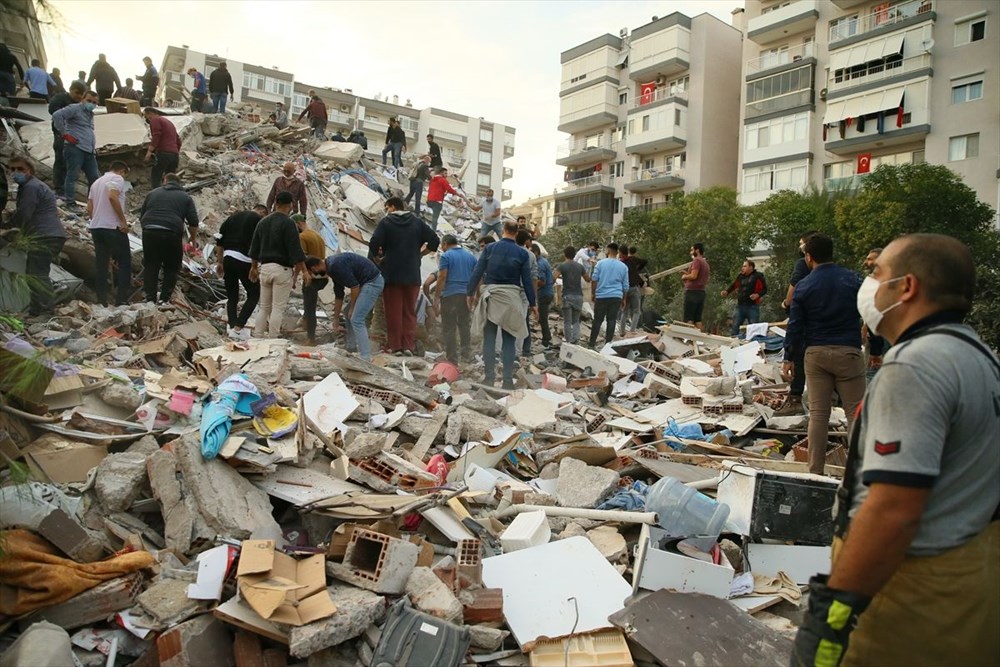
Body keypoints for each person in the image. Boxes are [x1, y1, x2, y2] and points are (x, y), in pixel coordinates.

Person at [791, 234, 999, 667]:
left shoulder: (915, 366)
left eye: (876, 273)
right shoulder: (978, 356)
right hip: (967, 585)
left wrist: (831, 614)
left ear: (907, 288)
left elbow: (892, 509)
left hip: (907, 593)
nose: (869, 284)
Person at [781, 234, 864, 476]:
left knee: (818, 414)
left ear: (809, 257)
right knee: (854, 413)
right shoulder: (854, 279)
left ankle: (814, 472)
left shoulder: (805, 285)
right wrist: (877, 348)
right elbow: (870, 312)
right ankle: (860, 473)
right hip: (848, 352)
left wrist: (788, 356)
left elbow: (795, 325)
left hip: (815, 354)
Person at [467, 220, 536, 389]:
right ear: (517, 232)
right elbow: (527, 280)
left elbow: (477, 272)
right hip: (511, 298)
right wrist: (533, 303)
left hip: (491, 297)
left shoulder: (490, 248)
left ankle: (489, 377)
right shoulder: (522, 254)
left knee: (489, 339)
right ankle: (506, 381)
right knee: (509, 341)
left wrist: (469, 293)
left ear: (503, 230)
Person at [368, 197, 439, 355]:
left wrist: (377, 258)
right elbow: (434, 241)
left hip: (391, 274)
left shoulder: (386, 223)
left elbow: (374, 243)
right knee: (409, 311)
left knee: (393, 312)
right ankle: (408, 346)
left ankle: (395, 346)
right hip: (412, 274)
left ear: (393, 207)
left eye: (387, 208)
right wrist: (420, 254)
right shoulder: (417, 222)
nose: (387, 211)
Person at [4, 157, 66, 316]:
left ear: (29, 170)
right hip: (49, 234)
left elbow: (25, 214)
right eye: (12, 169)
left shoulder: (30, 187)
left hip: (44, 235)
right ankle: (36, 311)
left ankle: (46, 312)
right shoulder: (32, 186)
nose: (15, 173)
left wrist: (7, 224)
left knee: (38, 274)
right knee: (34, 273)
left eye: (20, 169)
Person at [249, 191, 309, 337]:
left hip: (265, 268)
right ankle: (272, 338)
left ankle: (257, 336)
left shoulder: (262, 222)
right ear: (290, 205)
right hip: (282, 269)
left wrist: (253, 267)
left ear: (276, 203)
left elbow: (254, 248)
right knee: (277, 308)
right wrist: (303, 272)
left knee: (264, 307)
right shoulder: (289, 223)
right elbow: (296, 250)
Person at [305, 253, 384, 361]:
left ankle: (365, 358)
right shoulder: (331, 267)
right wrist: (336, 318)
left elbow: (354, 287)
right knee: (348, 313)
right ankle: (351, 347)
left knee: (357, 319)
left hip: (372, 283)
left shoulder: (335, 266)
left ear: (314, 268)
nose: (317, 275)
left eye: (313, 273)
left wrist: (352, 308)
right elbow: (339, 295)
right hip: (365, 283)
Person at [139, 173, 199, 304]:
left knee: (151, 264)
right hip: (171, 232)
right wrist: (192, 239)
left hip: (150, 231)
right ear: (179, 183)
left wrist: (148, 228)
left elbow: (142, 215)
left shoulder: (152, 193)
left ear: (165, 180)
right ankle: (164, 299)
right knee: (172, 266)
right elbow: (194, 221)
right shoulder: (185, 197)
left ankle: (150, 298)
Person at [776, 231, 817, 415]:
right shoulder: (845, 276)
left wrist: (788, 356)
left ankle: (795, 399)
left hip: (806, 326)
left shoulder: (802, 266)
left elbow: (792, 298)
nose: (799, 248)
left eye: (801, 245)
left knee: (800, 359)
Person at [216, 205, 266, 339]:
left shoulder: (232, 217)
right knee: (254, 293)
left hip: (227, 257)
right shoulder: (257, 219)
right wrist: (254, 266)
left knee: (232, 296)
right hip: (244, 259)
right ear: (262, 212)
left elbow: (219, 240)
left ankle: (232, 328)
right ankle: (238, 326)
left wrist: (219, 262)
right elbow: (257, 244)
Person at [86, 161, 131, 306]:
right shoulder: (117, 179)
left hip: (96, 227)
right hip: (112, 226)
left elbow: (89, 208)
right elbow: (112, 196)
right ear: (122, 171)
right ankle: (121, 300)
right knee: (124, 262)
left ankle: (102, 300)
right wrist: (122, 221)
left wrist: (97, 219)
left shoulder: (96, 183)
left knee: (101, 264)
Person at [51, 89, 101, 203]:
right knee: (72, 175)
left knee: (94, 178)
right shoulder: (75, 108)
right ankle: (69, 201)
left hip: (88, 150)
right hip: (75, 148)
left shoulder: (90, 114)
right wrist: (65, 134)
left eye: (94, 102)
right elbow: (57, 115)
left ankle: (91, 203)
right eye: (89, 101)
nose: (91, 104)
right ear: (83, 99)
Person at [435, 234, 477, 363]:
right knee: (464, 325)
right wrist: (475, 295)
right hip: (466, 295)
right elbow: (477, 277)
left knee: (449, 327)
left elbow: (442, 277)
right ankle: (466, 354)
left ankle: (452, 358)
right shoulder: (471, 257)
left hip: (450, 295)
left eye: (442, 246)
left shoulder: (446, 256)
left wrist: (437, 296)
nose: (442, 248)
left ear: (446, 244)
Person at [48, 81, 85, 196]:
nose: (79, 96)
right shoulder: (60, 98)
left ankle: (67, 187)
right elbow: (53, 111)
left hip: (74, 136)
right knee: (60, 160)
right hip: (61, 134)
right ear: (71, 89)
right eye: (77, 93)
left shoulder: (80, 105)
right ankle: (59, 188)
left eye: (81, 94)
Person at [589, 242, 629, 349]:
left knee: (597, 320)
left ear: (608, 250)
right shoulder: (623, 267)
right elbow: (625, 285)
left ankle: (591, 344)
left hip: (601, 295)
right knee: (611, 320)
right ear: (617, 252)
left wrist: (593, 293)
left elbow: (594, 279)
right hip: (616, 296)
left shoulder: (600, 263)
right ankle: (607, 345)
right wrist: (624, 299)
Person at [295, 214, 327, 344]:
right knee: (310, 306)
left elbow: (301, 259)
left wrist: (296, 276)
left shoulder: (302, 237)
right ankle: (305, 324)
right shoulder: (317, 235)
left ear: (298, 224)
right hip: (322, 276)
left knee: (309, 307)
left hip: (311, 276)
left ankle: (311, 338)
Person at [554, 246, 591, 344]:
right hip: (578, 296)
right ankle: (576, 340)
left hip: (567, 295)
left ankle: (568, 341)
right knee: (576, 320)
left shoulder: (562, 266)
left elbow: (554, 278)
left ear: (564, 254)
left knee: (567, 321)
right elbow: (587, 279)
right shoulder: (580, 267)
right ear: (574, 255)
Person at [721, 259, 767, 336]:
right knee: (735, 326)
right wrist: (727, 292)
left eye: (745, 266)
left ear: (751, 267)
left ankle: (755, 344)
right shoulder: (740, 276)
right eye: (743, 266)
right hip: (740, 306)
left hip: (752, 306)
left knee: (754, 328)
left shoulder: (758, 276)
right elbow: (734, 285)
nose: (742, 268)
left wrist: (757, 295)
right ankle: (733, 342)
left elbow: (764, 289)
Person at [861, 247, 887, 379]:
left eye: (870, 259)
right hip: (876, 336)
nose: (866, 262)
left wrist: (876, 350)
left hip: (882, 338)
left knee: (874, 374)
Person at [143, 107, 181, 189]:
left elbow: (156, 136)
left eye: (146, 116)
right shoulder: (169, 123)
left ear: (150, 114)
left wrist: (149, 152)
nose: (146, 119)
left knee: (156, 175)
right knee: (170, 179)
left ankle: (156, 194)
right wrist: (175, 151)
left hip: (163, 154)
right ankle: (171, 194)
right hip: (174, 155)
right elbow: (178, 140)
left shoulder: (155, 120)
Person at [517, 230, 539, 357]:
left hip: (509, 290)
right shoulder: (531, 255)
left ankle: (501, 351)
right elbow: (533, 278)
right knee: (522, 321)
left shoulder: (509, 251)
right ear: (526, 241)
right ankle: (520, 351)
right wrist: (533, 300)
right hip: (524, 292)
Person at [426, 167, 469, 231]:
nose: (446, 175)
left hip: (429, 200)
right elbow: (449, 189)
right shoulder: (443, 180)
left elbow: (433, 189)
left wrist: (443, 194)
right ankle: (433, 231)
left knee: (431, 216)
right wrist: (459, 194)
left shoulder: (432, 180)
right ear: (441, 173)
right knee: (435, 218)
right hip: (437, 202)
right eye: (445, 173)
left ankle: (429, 228)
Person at [680, 242, 710, 330]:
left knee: (689, 318)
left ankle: (689, 339)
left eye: (692, 250)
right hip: (701, 292)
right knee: (697, 319)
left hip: (692, 293)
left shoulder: (697, 260)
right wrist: (687, 274)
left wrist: (685, 276)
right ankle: (699, 341)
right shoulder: (705, 263)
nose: (690, 252)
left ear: (697, 250)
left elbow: (693, 276)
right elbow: (701, 278)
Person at [619, 246, 648, 335]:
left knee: (625, 311)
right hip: (634, 288)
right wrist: (642, 282)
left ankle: (622, 331)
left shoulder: (620, 264)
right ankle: (632, 330)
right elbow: (636, 272)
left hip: (625, 289)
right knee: (636, 311)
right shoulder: (633, 261)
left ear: (620, 253)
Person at [533, 244, 556, 349]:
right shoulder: (544, 261)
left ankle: (546, 340)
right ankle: (547, 337)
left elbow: (541, 281)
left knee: (542, 318)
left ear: (536, 253)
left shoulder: (540, 264)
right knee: (543, 317)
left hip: (544, 293)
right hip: (548, 292)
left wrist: (532, 287)